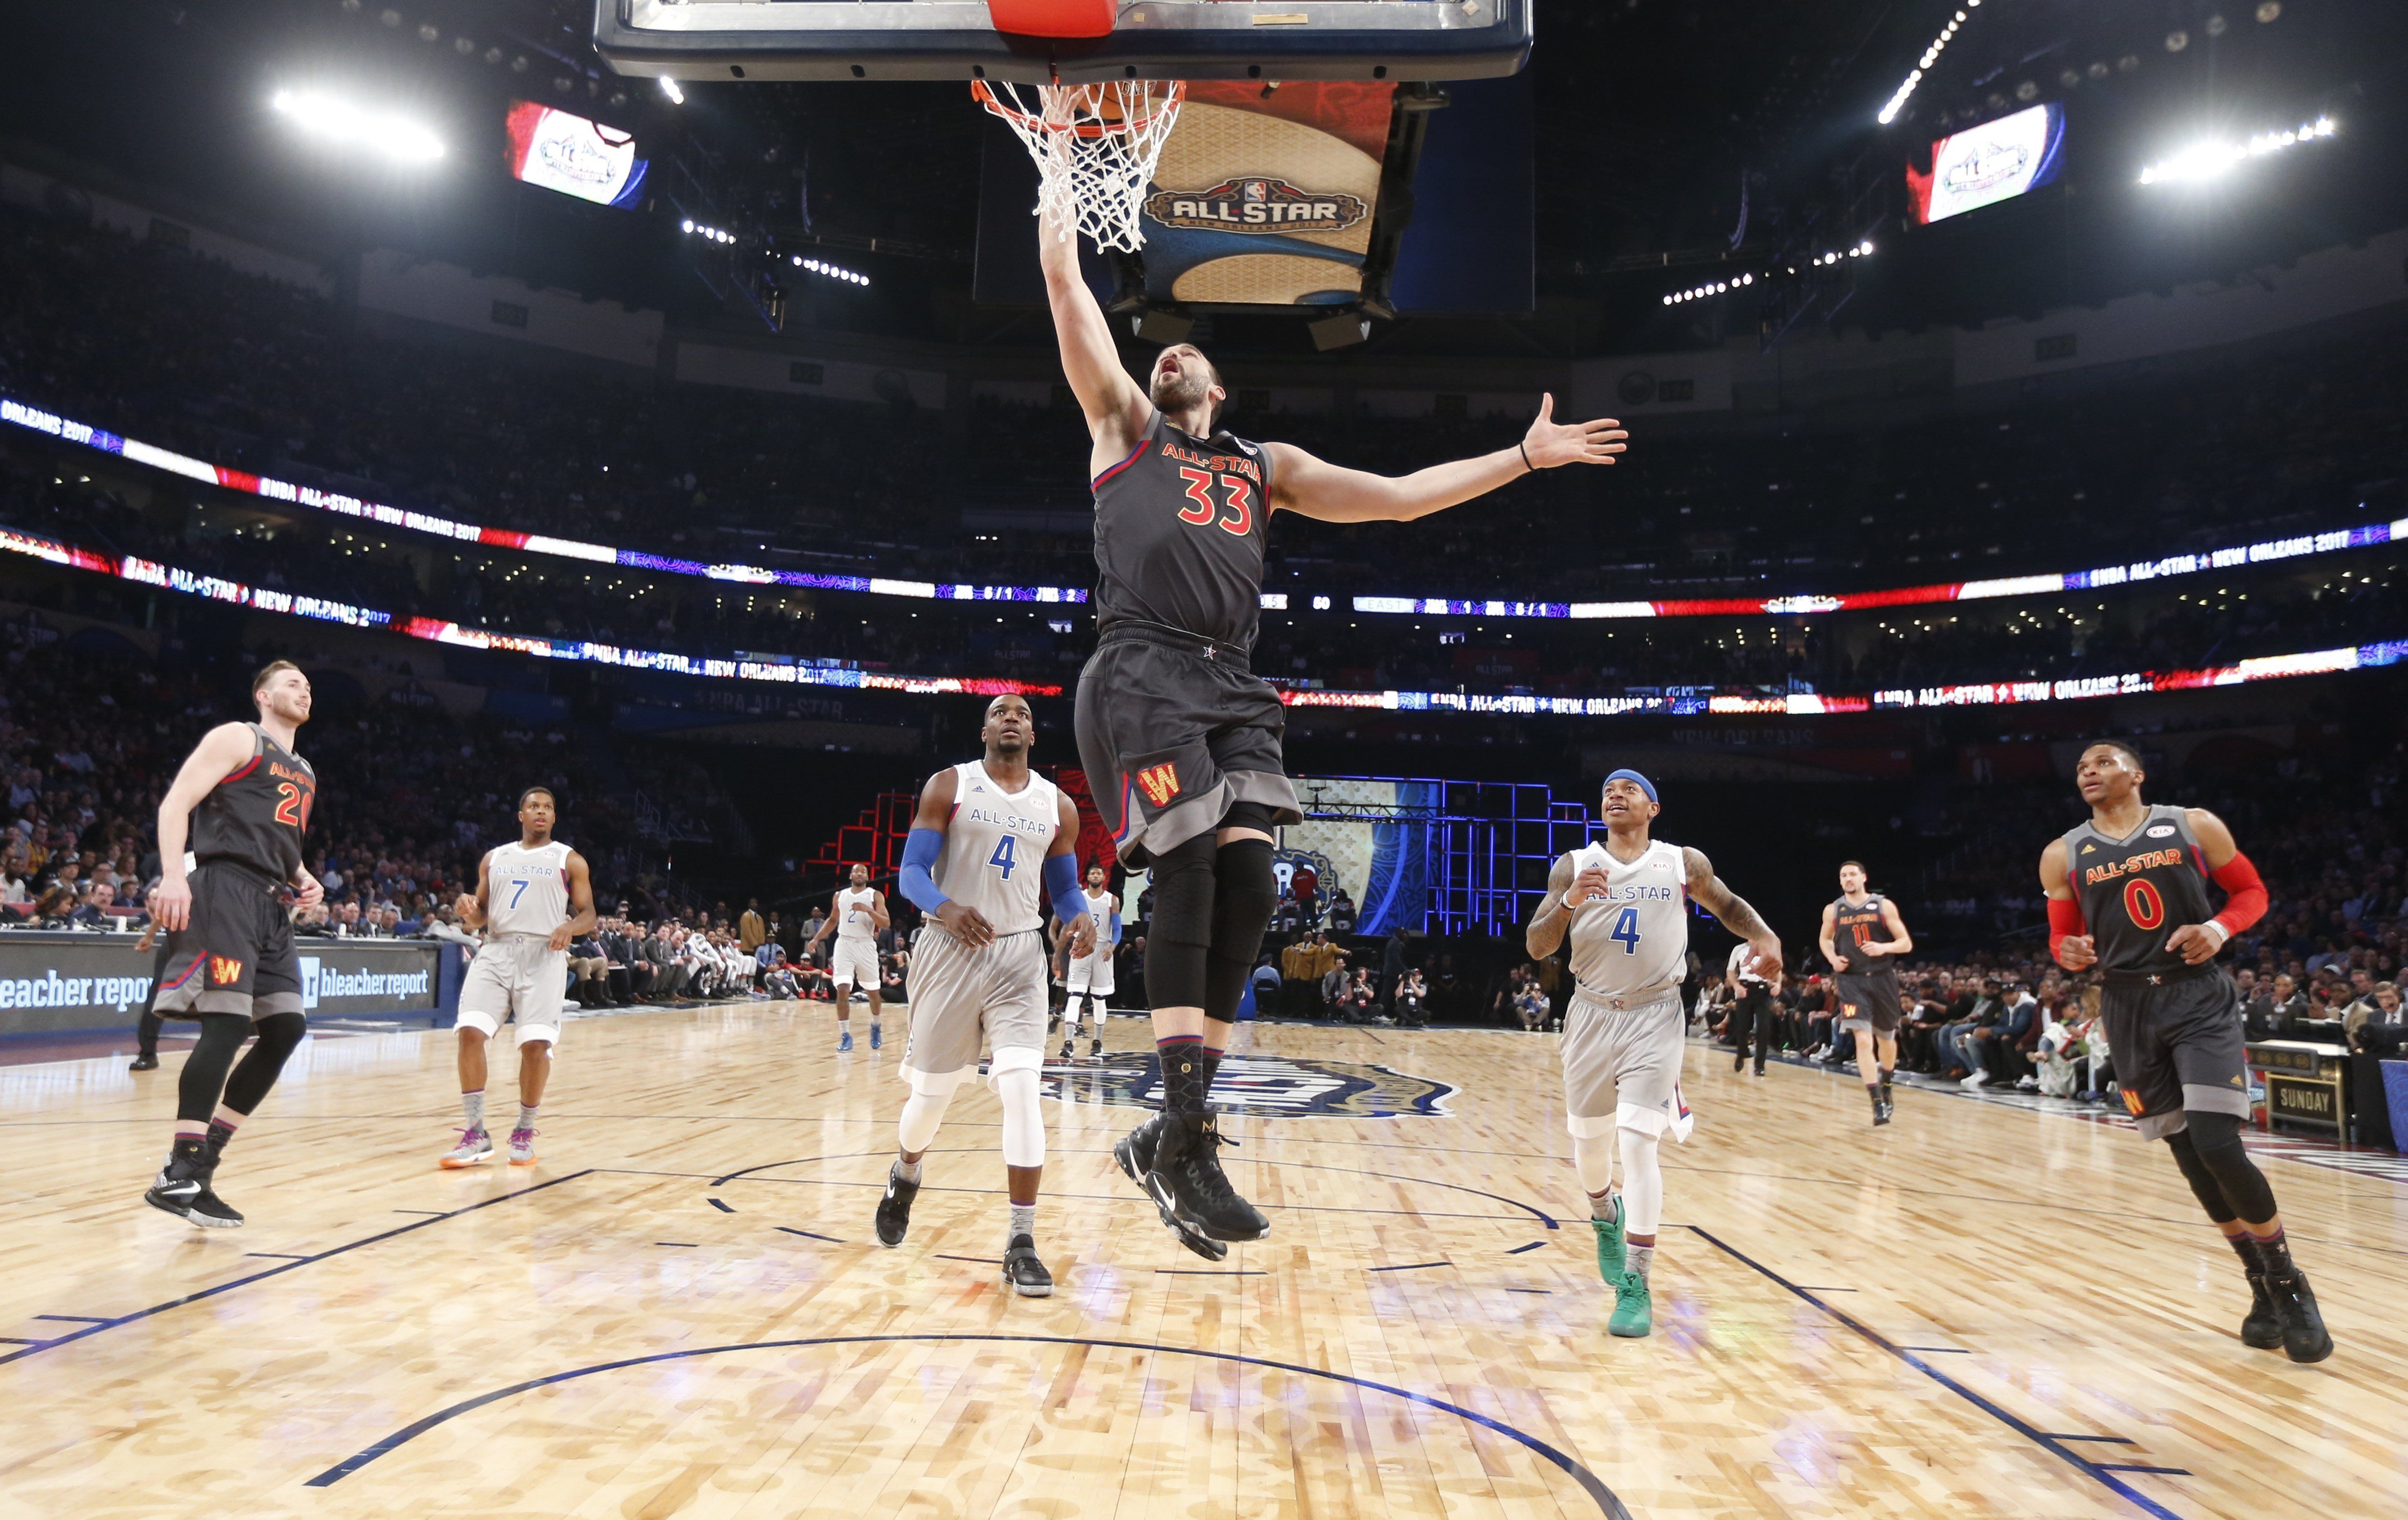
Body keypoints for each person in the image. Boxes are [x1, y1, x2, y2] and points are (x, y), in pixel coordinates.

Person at [1039, 196, 1630, 1255]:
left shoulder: (1268, 467)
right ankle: (1185, 1130)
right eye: (1160, 351)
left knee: (1254, 886)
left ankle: (1174, 1135)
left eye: (1191, 354)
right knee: (1183, 878)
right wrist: (1053, 195)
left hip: (1234, 687)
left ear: (1218, 391)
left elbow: (1403, 498)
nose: (1170, 353)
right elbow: (1067, 294)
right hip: (1143, 673)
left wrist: (1525, 458)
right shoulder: (1122, 432)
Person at [2041, 738, 2329, 1362]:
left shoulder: (2190, 824)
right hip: (2124, 1004)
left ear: (2135, 773)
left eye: (2101, 762)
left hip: (2195, 994)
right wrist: (2065, 952)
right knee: (2187, 1152)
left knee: (2217, 1140)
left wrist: (2218, 927)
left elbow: (2250, 892)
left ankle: (2287, 1280)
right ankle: (2256, 1280)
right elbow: (2062, 935)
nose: (2087, 771)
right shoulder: (2061, 852)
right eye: (2080, 768)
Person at [1526, 768, 1781, 1340]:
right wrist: (1566, 902)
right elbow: (1537, 943)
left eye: (1628, 789)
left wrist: (1765, 938)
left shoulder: (1680, 862)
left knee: (1639, 1142)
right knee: (1590, 1150)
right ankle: (1602, 1215)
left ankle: (1636, 1283)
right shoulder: (1572, 864)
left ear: (1653, 808)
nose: (1614, 794)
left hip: (1656, 1013)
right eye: (1607, 790)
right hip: (1590, 1012)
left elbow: (1730, 906)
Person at [877, 694, 1095, 1295]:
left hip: (1019, 956)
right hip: (949, 949)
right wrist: (945, 907)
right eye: (1000, 710)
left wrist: (1078, 917)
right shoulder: (949, 785)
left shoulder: (1058, 805)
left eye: (1022, 712)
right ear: (984, 728)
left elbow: (1066, 887)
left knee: (1023, 1090)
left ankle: (1020, 1240)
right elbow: (911, 873)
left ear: (1032, 733)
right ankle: (906, 1172)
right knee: (931, 1097)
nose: (1011, 716)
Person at [139, 661, 324, 1229]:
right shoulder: (238, 736)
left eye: (308, 686)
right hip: (224, 889)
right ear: (263, 695)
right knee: (226, 1022)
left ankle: (203, 1165)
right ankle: (180, 1168)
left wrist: (301, 876)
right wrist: (173, 875)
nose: (304, 690)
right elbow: (176, 805)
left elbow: (273, 832)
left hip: (272, 904)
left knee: (287, 1026)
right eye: (292, 683)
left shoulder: (305, 768)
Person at [440, 788, 596, 1169]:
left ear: (554, 818)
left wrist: (570, 927)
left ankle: (525, 1129)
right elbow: (481, 917)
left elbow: (589, 914)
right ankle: (476, 1133)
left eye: (548, 808)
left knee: (535, 1046)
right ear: (521, 815)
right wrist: (467, 910)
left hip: (544, 954)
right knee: (471, 1031)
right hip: (496, 950)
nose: (540, 812)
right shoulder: (495, 858)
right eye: (533, 807)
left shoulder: (569, 859)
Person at [1818, 862, 1914, 1124]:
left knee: (1886, 1038)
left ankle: (1887, 1083)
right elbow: (1825, 939)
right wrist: (1832, 958)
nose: (1848, 879)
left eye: (1852, 874)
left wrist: (1884, 948)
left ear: (1864, 877)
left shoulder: (1884, 905)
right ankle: (1876, 1103)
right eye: (1843, 876)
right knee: (1862, 1039)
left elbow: (1906, 943)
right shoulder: (1834, 909)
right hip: (1851, 981)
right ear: (1840, 882)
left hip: (1882, 979)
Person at [807, 864, 890, 1051]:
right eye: (856, 871)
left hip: (866, 944)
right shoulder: (840, 895)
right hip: (844, 944)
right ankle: (845, 1036)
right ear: (850, 875)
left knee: (873, 993)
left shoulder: (874, 895)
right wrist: (816, 939)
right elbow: (833, 920)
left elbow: (886, 923)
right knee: (843, 988)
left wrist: (868, 910)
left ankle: (876, 1026)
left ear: (868, 876)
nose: (860, 874)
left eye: (863, 872)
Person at [1060, 863, 1121, 1062]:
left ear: (1104, 878)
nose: (1096, 875)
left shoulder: (1112, 899)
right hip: (1081, 948)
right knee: (1075, 995)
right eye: (1092, 872)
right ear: (1088, 877)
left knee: (1099, 998)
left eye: (1099, 873)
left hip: (1102, 949)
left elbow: (1118, 929)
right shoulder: (1080, 898)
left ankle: (1098, 1041)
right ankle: (1068, 1042)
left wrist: (1111, 948)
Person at [1725, 937, 1777, 1077]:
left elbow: (1778, 968)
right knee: (1742, 1027)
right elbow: (1730, 971)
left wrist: (1778, 985)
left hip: (1763, 989)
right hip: (1745, 988)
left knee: (1764, 1028)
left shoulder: (1769, 947)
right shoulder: (1739, 949)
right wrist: (1736, 986)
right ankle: (1742, 1052)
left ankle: (1760, 1065)